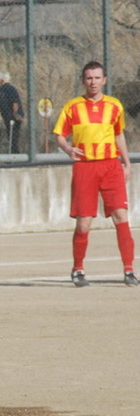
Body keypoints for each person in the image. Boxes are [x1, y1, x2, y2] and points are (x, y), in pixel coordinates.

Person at [53, 60, 138, 287]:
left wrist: (126, 163)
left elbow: (119, 135)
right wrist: (68, 148)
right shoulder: (72, 107)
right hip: (85, 167)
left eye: (97, 78)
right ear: (83, 80)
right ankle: (78, 269)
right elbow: (60, 135)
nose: (93, 82)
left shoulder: (114, 106)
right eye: (89, 78)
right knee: (84, 223)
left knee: (122, 217)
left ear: (104, 80)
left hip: (110, 166)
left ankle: (129, 270)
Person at [0, 71, 24, 154]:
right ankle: (14, 155)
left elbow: (15, 102)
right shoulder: (3, 90)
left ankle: (15, 156)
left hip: (13, 118)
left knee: (13, 138)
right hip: (8, 117)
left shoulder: (9, 88)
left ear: (2, 80)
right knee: (11, 138)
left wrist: (15, 114)